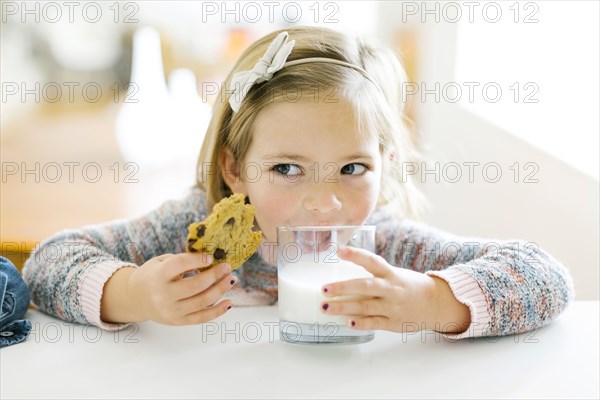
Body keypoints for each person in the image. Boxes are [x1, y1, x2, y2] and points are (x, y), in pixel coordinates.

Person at [23, 27, 574, 338]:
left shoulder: (381, 246)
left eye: (352, 168)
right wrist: (134, 293)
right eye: (288, 169)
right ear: (234, 168)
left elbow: (544, 278)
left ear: (383, 163)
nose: (324, 201)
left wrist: (428, 300)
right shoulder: (192, 233)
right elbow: (49, 261)